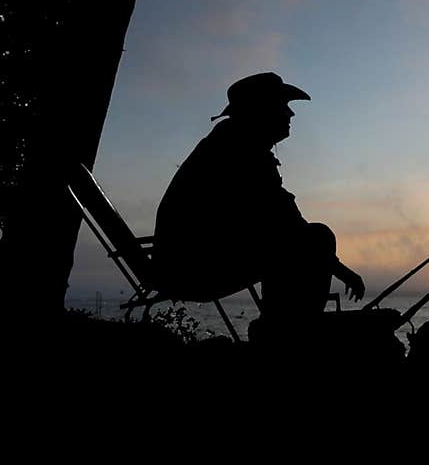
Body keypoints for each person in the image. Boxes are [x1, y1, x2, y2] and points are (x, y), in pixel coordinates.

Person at [153, 72, 365, 319]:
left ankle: (284, 325)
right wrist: (340, 270)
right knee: (317, 237)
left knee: (308, 239)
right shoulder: (241, 149)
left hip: (190, 258)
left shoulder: (233, 141)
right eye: (283, 106)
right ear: (262, 110)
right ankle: (291, 329)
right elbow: (283, 220)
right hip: (195, 266)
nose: (290, 114)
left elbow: (280, 217)